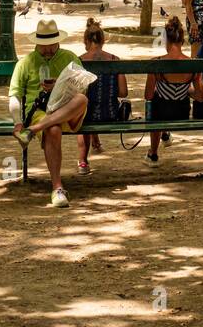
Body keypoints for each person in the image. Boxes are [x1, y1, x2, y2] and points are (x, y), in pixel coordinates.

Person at [9, 19, 86, 207]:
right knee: (53, 130)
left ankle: (34, 129)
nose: (48, 49)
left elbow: (83, 88)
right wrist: (18, 122)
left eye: (52, 44)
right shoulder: (25, 63)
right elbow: (15, 96)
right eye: (44, 46)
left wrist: (59, 87)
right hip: (40, 111)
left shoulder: (69, 58)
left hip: (68, 109)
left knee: (82, 100)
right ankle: (57, 187)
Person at [142, 16, 203, 166]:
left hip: (160, 113)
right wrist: (186, 90)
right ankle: (165, 134)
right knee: (168, 99)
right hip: (181, 112)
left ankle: (153, 153)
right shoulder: (193, 65)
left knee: (158, 101)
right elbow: (200, 97)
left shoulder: (156, 63)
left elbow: (148, 96)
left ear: (166, 41)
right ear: (182, 41)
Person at [75, 18, 128, 174]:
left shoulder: (79, 61)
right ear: (103, 40)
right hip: (110, 113)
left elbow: (77, 92)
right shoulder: (114, 60)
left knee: (81, 110)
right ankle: (95, 143)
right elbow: (123, 92)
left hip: (87, 115)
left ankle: (83, 161)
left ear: (86, 40)